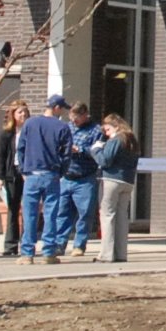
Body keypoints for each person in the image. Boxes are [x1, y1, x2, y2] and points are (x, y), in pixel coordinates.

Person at [15, 95, 74, 265]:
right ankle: (48, 252)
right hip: (51, 174)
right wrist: (61, 171)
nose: (61, 111)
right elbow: (66, 153)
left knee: (29, 214)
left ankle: (27, 253)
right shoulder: (62, 127)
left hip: (32, 174)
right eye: (61, 108)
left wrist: (23, 170)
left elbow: (21, 147)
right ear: (56, 107)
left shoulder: (30, 123)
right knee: (50, 214)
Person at [94, 111, 141, 262]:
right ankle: (121, 254)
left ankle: (106, 254)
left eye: (107, 130)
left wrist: (95, 150)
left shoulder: (116, 139)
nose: (106, 134)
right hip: (128, 181)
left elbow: (105, 161)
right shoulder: (132, 139)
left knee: (107, 216)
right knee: (122, 217)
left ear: (115, 126)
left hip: (111, 180)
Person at [62, 103, 105, 257]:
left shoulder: (96, 130)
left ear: (85, 115)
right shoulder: (68, 128)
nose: (74, 122)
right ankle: (59, 244)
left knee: (84, 213)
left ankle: (79, 245)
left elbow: (98, 151)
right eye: (72, 118)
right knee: (62, 212)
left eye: (77, 119)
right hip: (67, 176)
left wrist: (80, 150)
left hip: (86, 177)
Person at [0, 101, 29, 258]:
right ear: (13, 115)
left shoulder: (31, 132)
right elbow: (1, 156)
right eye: (19, 112)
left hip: (28, 173)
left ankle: (27, 244)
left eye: (25, 112)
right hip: (12, 174)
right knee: (13, 209)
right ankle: (11, 245)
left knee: (29, 209)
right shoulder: (7, 134)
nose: (23, 115)